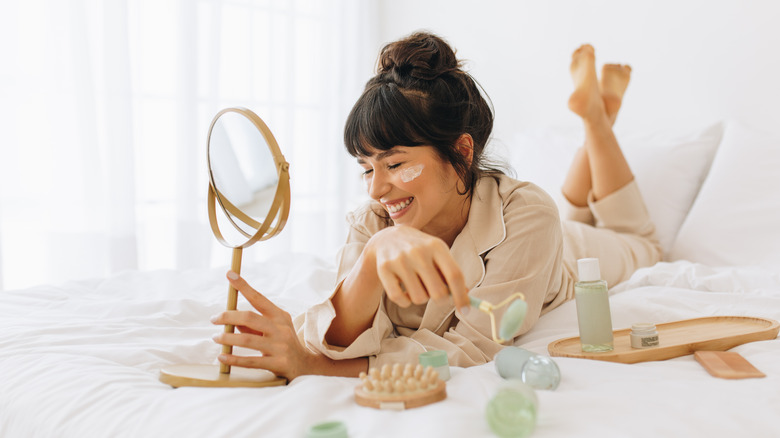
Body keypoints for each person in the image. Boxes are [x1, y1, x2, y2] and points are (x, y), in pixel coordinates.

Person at [210, 32, 661, 380]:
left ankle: (599, 121)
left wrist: (314, 368)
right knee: (573, 207)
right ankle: (595, 118)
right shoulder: (373, 221)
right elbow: (338, 336)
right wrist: (372, 257)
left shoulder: (528, 215)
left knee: (640, 240)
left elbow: (468, 351)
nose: (377, 190)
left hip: (568, 251)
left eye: (396, 163)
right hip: (548, 232)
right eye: (368, 168)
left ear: (462, 152)